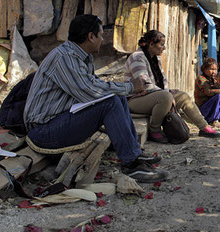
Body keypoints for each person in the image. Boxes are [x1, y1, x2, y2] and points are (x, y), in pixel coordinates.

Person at [24, 15, 166, 183]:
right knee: (111, 102)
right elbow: (89, 91)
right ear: (91, 37)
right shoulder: (64, 57)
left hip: (58, 120)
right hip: (44, 131)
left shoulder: (81, 56)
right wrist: (129, 87)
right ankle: (132, 165)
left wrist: (124, 90)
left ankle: (134, 153)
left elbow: (93, 84)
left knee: (116, 98)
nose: (102, 39)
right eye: (100, 35)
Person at [125, 30, 220, 140]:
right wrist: (167, 95)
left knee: (183, 96)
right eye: (161, 44)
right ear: (151, 44)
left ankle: (204, 127)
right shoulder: (137, 57)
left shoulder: (155, 58)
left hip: (153, 95)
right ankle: (154, 130)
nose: (164, 48)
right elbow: (144, 83)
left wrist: (167, 92)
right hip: (135, 99)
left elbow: (164, 81)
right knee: (166, 97)